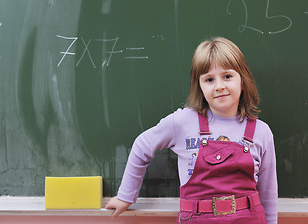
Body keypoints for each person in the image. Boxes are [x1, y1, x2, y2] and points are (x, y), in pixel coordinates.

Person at [105, 37, 278, 224]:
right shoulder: (182, 122)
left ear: (242, 80)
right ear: (200, 86)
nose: (219, 86)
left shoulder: (261, 132)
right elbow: (141, 146)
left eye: (227, 76)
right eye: (209, 79)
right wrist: (126, 196)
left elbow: (268, 193)